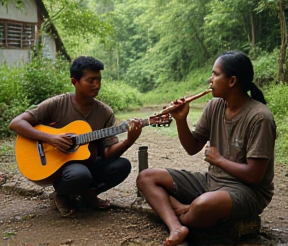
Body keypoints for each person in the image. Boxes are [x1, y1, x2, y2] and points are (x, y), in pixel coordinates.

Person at [136, 50, 276, 246]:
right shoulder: (214, 106)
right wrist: (181, 120)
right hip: (212, 182)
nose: (210, 79)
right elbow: (192, 147)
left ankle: (182, 210)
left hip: (246, 192)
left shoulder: (260, 117)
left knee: (203, 205)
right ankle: (177, 226)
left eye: (215, 74)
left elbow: (255, 176)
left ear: (232, 81)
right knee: (146, 177)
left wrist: (219, 160)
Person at [9, 56, 143, 217]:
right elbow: (16, 123)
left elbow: (108, 153)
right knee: (79, 173)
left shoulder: (105, 112)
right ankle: (62, 195)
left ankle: (89, 194)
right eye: (91, 80)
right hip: (64, 167)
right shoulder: (57, 103)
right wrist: (50, 138)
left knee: (122, 166)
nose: (97, 85)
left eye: (99, 80)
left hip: (91, 163)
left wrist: (130, 140)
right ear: (74, 82)